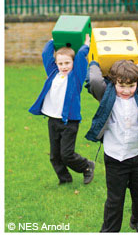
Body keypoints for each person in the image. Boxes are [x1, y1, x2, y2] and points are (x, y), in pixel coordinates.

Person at [85, 59, 138, 232]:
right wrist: (95, 64)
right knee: (115, 199)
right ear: (113, 82)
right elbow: (96, 81)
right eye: (121, 85)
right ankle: (110, 230)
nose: (126, 91)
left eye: (131, 85)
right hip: (115, 158)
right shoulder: (106, 94)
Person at [29, 34, 95, 185]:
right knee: (55, 156)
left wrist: (86, 44)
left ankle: (86, 166)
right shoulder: (53, 73)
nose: (64, 66)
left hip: (69, 121)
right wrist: (54, 39)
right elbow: (46, 54)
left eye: (67, 63)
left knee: (66, 154)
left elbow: (79, 58)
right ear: (56, 64)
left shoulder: (76, 77)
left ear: (72, 63)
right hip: (53, 120)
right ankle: (65, 179)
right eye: (61, 63)